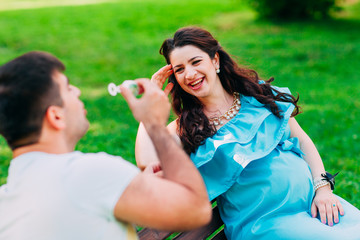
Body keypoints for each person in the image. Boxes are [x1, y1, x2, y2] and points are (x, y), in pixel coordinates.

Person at [135, 27, 360, 239]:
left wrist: (323, 190)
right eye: (180, 69)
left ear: (215, 61)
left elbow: (301, 140)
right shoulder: (187, 127)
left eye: (196, 62)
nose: (190, 74)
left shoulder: (257, 95)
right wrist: (148, 109)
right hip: (266, 225)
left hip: (314, 205)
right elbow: (147, 161)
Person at [0, 51, 212, 240]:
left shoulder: (6, 203)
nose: (78, 92)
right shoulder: (90, 173)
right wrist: (155, 126)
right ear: (55, 116)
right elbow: (197, 210)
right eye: (68, 88)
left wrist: (133, 185)